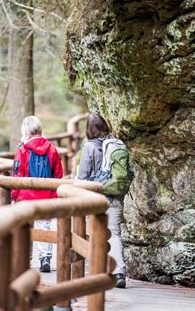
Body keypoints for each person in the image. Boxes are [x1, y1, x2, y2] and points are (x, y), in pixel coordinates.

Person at [77, 113, 127, 288]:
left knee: (95, 233)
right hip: (115, 197)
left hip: (96, 198)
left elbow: (82, 176)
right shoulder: (116, 144)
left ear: (89, 129)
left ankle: (98, 271)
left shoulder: (89, 147)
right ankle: (119, 271)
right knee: (114, 233)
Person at [11, 116, 63, 272]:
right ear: (41, 130)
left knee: (23, 227)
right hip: (46, 196)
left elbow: (16, 176)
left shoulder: (22, 150)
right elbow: (58, 174)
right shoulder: (52, 149)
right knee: (44, 226)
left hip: (25, 197)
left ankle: (23, 259)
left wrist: (14, 197)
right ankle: (45, 258)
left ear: (26, 131)